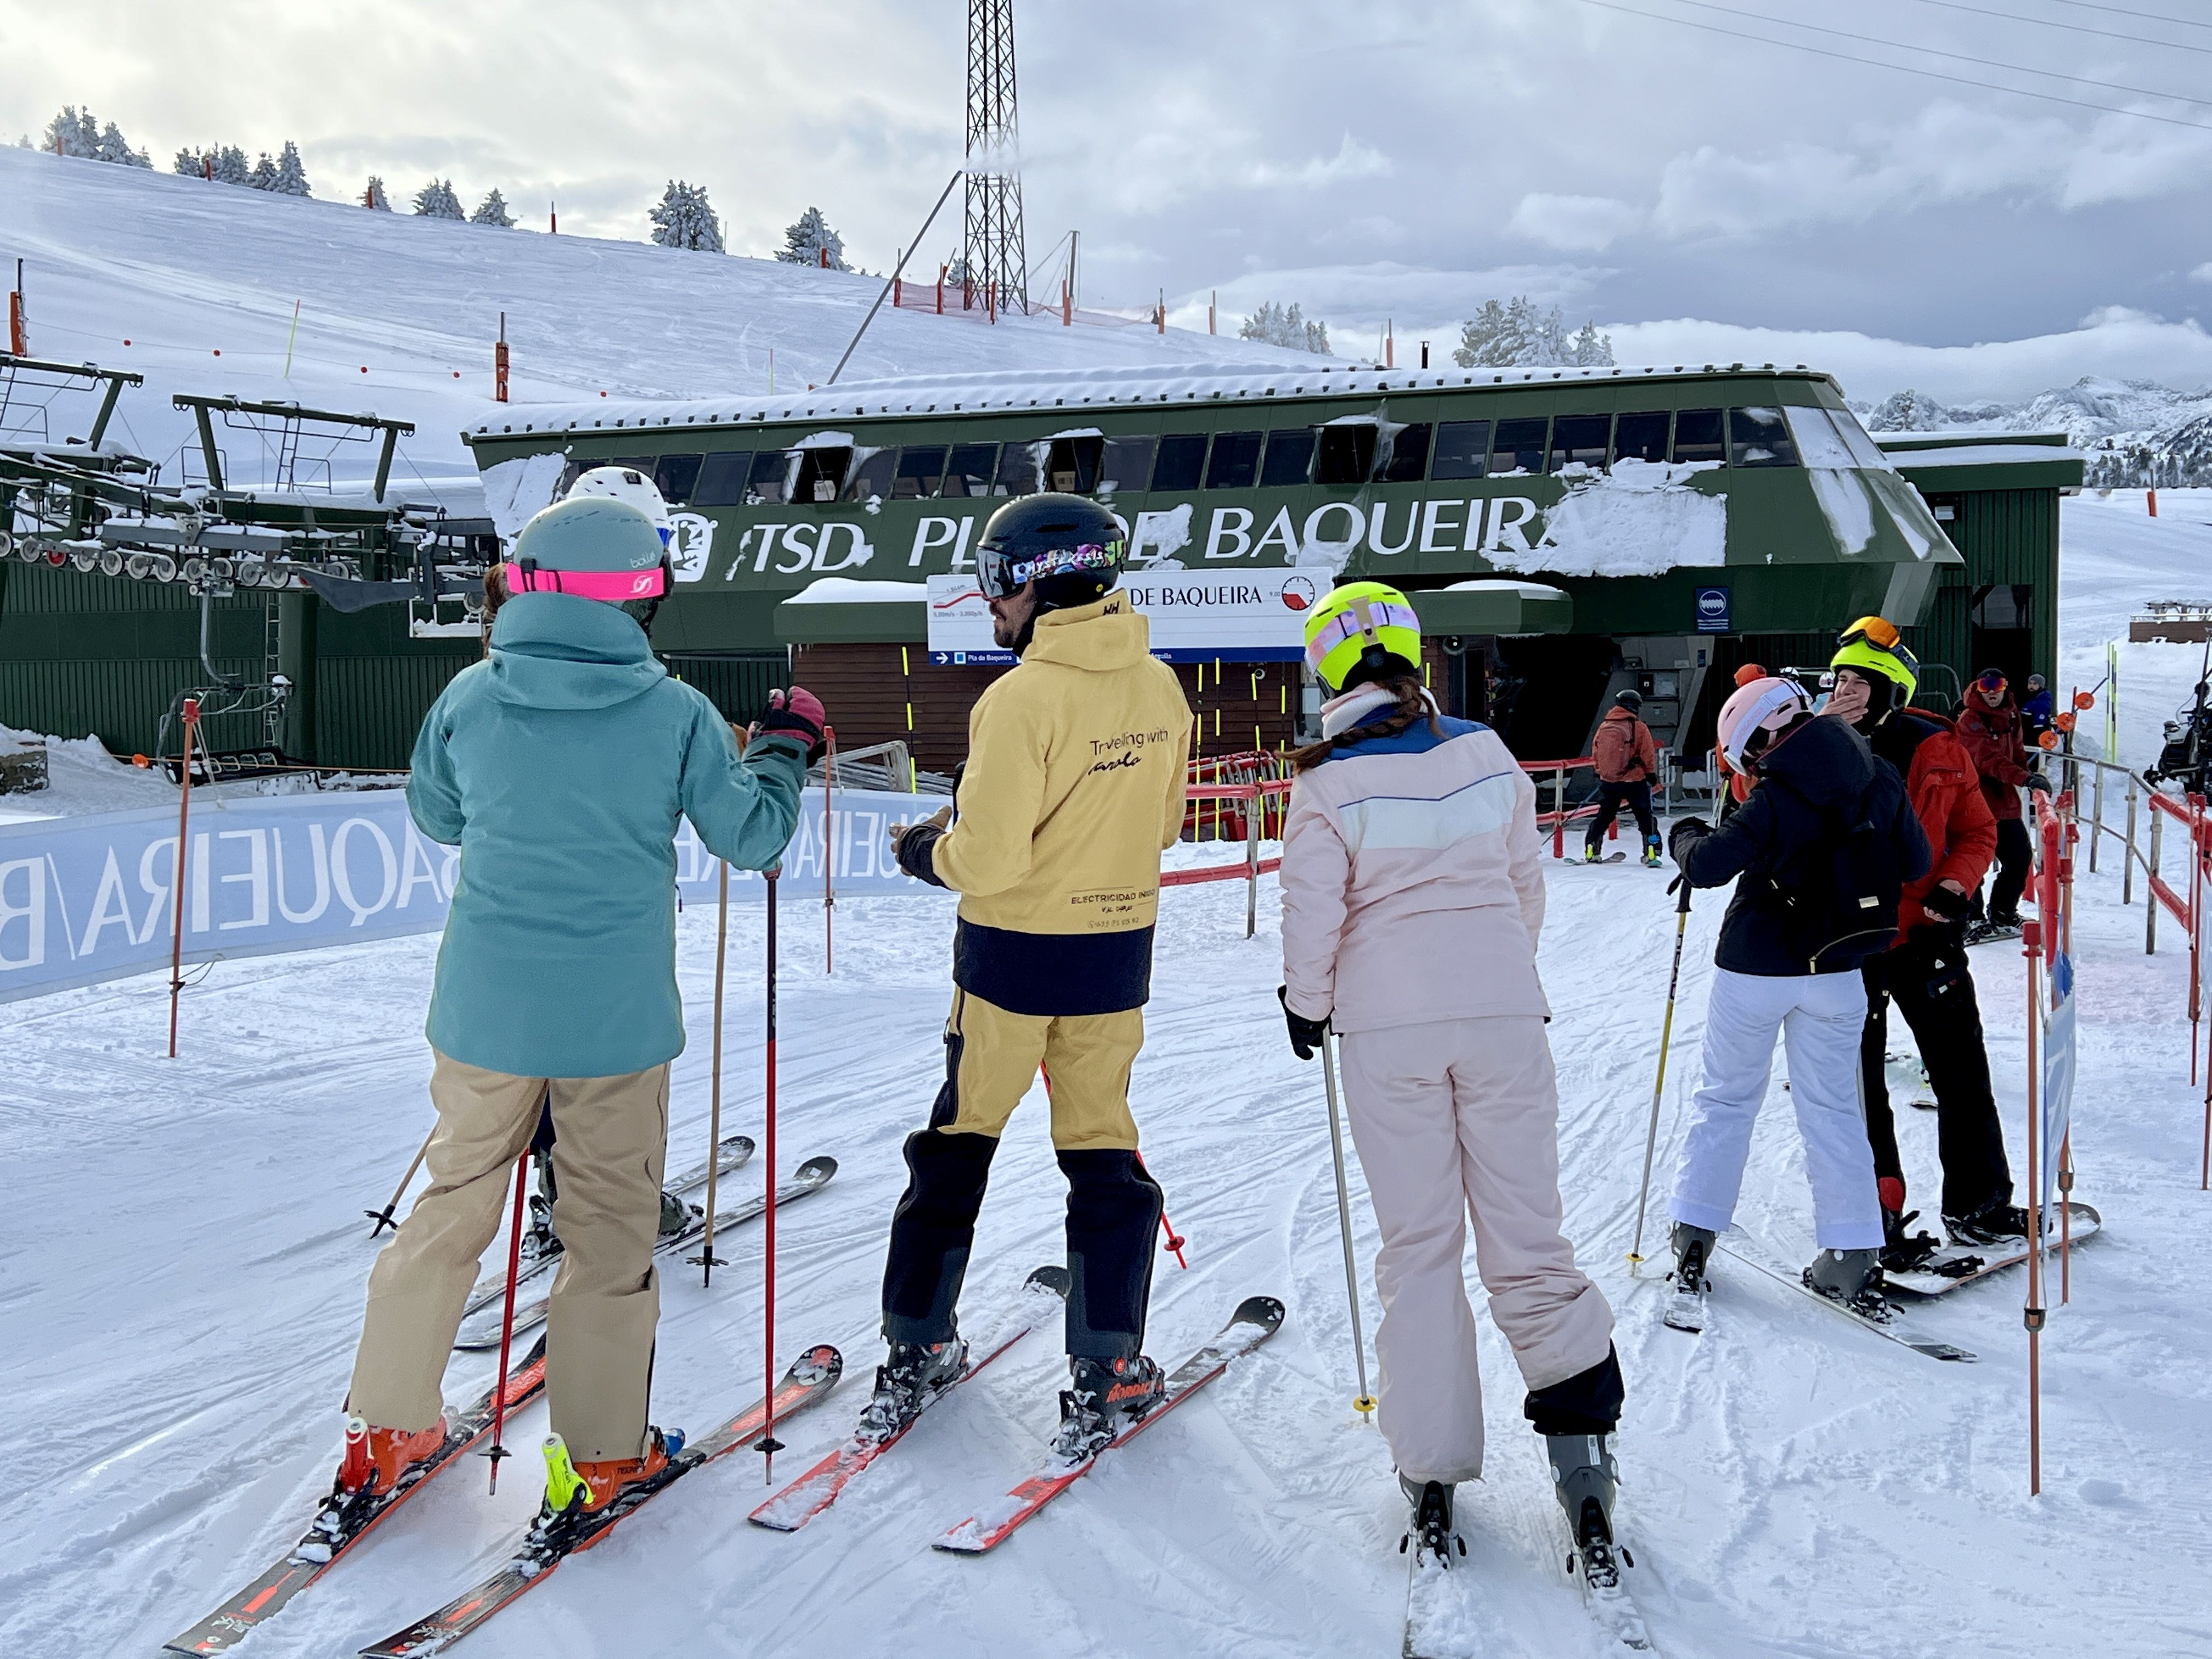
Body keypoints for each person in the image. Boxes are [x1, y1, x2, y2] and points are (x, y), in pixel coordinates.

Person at [338, 492, 822, 1526]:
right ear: (640, 595)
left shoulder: (472, 697)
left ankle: (384, 1427)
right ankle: (599, 1455)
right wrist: (782, 751)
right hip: (613, 1023)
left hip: (486, 1014)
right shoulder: (675, 711)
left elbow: (438, 813)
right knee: (607, 1231)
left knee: (452, 1202)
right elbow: (752, 838)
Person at [1276, 580, 1627, 1579]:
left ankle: (1430, 1468)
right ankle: (1582, 1448)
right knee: (1527, 1231)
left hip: (1388, 1029)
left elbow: (1316, 916)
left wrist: (1309, 1002)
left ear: (1329, 668)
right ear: (1411, 652)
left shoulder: (1326, 781)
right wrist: (1493, 974)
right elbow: (1524, 885)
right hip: (1503, 1013)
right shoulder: (1486, 752)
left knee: (1420, 1243)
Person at [879, 494, 1193, 1457]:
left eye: (994, 584)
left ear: (1033, 579)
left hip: (1011, 958)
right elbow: (1167, 826)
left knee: (959, 1139)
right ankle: (1108, 1360)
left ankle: (917, 1338)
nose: (990, 607)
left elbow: (990, 858)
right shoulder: (1160, 689)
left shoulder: (1020, 697)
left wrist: (927, 850)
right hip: (1109, 955)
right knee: (1102, 1151)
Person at [1664, 676, 1931, 1318]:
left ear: (1760, 740)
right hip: (1840, 970)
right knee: (1836, 1111)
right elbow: (1917, 862)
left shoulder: (1776, 796)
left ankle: (1696, 1235)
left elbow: (1706, 866)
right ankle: (1851, 1254)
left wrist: (1686, 834)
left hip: (1755, 970)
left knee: (1726, 1099)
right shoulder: (1879, 772)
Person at [1822, 620, 2027, 1255]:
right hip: (1849, 943)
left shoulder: (1939, 747)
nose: (1846, 690)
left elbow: (1978, 831)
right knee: (1860, 1086)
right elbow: (1751, 787)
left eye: (1861, 681)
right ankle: (1874, 1216)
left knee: (1962, 1070)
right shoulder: (1814, 743)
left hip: (1926, 937)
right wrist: (1820, 736)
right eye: (1840, 680)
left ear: (1892, 691)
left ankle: (1981, 1202)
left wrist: (1957, 886)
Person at [1955, 668, 2051, 938]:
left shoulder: (2011, 714)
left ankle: (2002, 912)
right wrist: (2023, 779)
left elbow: (2018, 751)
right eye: (1987, 687)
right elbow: (1985, 759)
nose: (1993, 693)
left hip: (2004, 802)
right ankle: (1971, 917)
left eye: (1998, 686)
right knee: (1974, 861)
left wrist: (2028, 775)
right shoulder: (1970, 719)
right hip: (1974, 803)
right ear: (1978, 688)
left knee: (2019, 857)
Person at [1586, 688, 1663, 867]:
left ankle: (1592, 849)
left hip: (1610, 782)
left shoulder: (1604, 726)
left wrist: (1601, 772)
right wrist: (1651, 774)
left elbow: (1596, 752)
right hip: (1635, 781)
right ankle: (1652, 851)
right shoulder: (1639, 727)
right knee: (1645, 817)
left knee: (1604, 817)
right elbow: (1647, 753)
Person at [2021, 673, 2054, 741]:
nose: (2031, 686)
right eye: (2030, 683)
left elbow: (2039, 726)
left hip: (2033, 737)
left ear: (2041, 686)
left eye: (2035, 684)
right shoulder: (2029, 698)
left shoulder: (2043, 702)